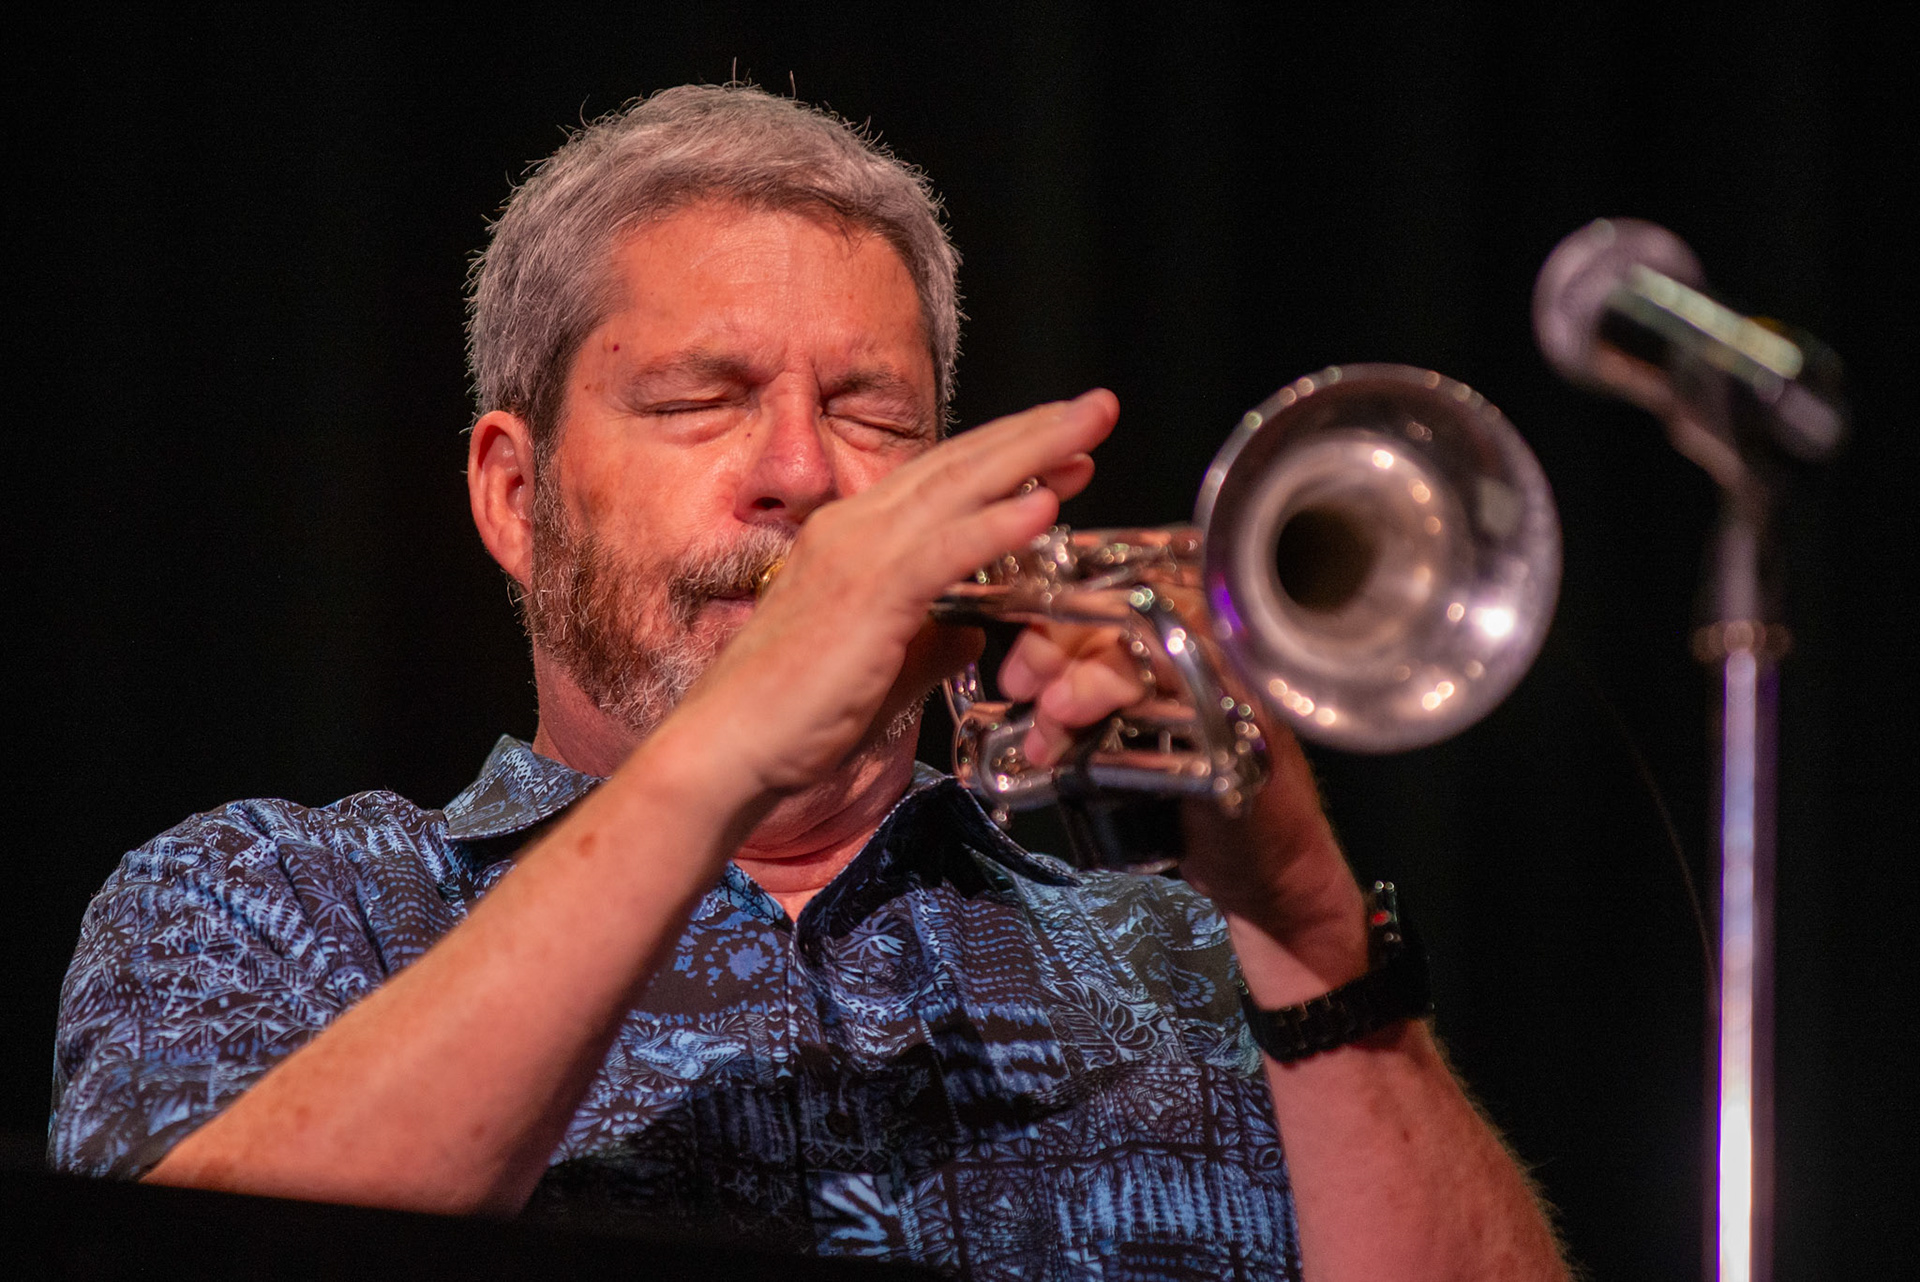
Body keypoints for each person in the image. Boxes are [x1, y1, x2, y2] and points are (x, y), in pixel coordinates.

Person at [50, 85, 1569, 1279]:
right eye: (700, 401)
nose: (800, 475)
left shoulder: (1182, 963)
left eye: (874, 415)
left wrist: (1307, 926)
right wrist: (719, 762)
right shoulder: (275, 899)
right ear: (516, 496)